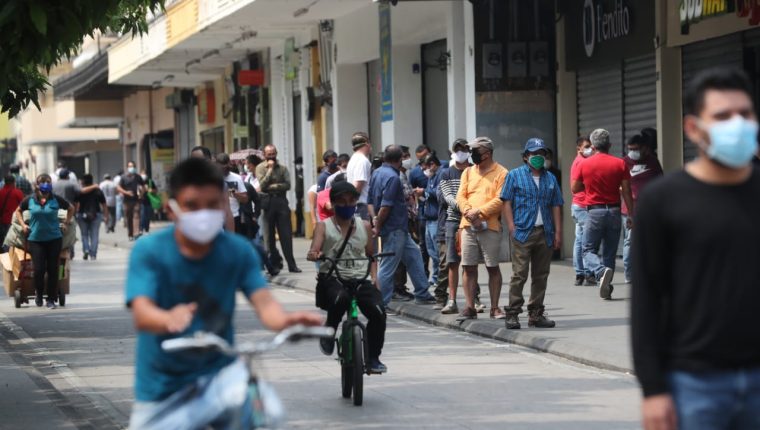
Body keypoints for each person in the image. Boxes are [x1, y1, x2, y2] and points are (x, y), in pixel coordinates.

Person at [125, 157, 322, 429]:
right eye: (192, 206)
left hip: (221, 376)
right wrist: (167, 318)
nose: (202, 214)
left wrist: (285, 321)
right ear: (171, 210)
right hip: (164, 387)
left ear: (223, 206)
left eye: (212, 205)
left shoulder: (237, 250)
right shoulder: (150, 251)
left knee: (268, 415)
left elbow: (264, 304)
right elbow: (142, 313)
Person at [633, 67, 760, 430]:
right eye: (722, 116)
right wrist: (653, 390)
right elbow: (646, 300)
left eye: (745, 114)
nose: (736, 124)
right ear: (693, 128)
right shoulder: (663, 200)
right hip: (694, 384)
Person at [307, 181, 387, 373]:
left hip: (361, 277)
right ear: (333, 204)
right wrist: (314, 254)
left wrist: (375, 278)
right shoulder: (323, 226)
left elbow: (370, 255)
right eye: (342, 202)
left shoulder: (365, 226)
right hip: (333, 276)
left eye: (351, 201)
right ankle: (330, 330)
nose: (347, 205)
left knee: (379, 313)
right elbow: (314, 250)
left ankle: (373, 357)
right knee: (340, 299)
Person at [501, 139, 563, 329]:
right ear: (526, 156)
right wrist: (511, 226)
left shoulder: (550, 178)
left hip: (545, 232)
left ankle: (536, 314)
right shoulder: (514, 175)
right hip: (522, 231)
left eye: (541, 154)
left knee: (541, 274)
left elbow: (556, 204)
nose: (538, 157)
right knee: (519, 274)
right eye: (534, 153)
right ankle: (512, 313)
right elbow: (506, 201)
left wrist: (558, 232)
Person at [368, 145, 437, 306]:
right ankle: (380, 303)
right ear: (400, 160)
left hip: (398, 228)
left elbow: (370, 201)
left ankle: (422, 292)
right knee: (388, 266)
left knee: (414, 256)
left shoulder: (377, 173)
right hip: (394, 228)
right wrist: (377, 225)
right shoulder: (393, 177)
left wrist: (374, 219)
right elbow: (386, 206)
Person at [571, 129, 634, 300]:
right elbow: (627, 191)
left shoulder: (584, 164)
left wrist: (591, 185)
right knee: (610, 252)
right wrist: (631, 215)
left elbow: (574, 188)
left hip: (594, 211)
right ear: (609, 145)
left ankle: (599, 272)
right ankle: (606, 288)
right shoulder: (620, 163)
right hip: (614, 211)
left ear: (593, 146)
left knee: (588, 249)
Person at [455, 137, 508, 320]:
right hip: (468, 226)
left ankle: (495, 308)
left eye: (475, 151)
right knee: (468, 267)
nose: (472, 155)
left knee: (492, 267)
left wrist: (480, 212)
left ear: (487, 154)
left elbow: (501, 199)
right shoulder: (468, 172)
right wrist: (469, 212)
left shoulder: (501, 172)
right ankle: (470, 307)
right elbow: (460, 197)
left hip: (490, 226)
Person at [15, 174, 74, 309]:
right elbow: (18, 211)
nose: (46, 184)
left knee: (53, 269)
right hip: (36, 240)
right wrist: (23, 225)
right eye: (43, 182)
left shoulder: (56, 199)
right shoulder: (30, 200)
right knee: (39, 269)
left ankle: (51, 299)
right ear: (37, 184)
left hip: (54, 239)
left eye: (48, 181)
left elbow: (71, 208)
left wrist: (66, 222)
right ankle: (39, 294)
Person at [438, 139, 481, 314]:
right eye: (458, 149)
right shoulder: (446, 173)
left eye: (464, 149)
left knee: (471, 263)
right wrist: (466, 209)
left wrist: (472, 212)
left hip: (472, 221)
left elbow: (479, 193)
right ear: (452, 152)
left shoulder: (475, 171)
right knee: (452, 262)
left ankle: (474, 299)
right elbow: (448, 197)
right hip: (453, 221)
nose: (461, 152)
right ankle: (452, 300)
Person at [621, 132, 663, 283]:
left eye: (636, 148)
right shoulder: (624, 162)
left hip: (649, 210)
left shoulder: (653, 162)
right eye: (630, 148)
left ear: (644, 148)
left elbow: (661, 183)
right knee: (630, 242)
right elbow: (617, 185)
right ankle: (630, 275)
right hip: (630, 210)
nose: (633, 151)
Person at [255, 144, 301, 273]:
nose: (271, 156)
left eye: (273, 153)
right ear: (264, 155)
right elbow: (262, 186)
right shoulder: (260, 168)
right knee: (268, 237)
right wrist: (269, 170)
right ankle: (272, 264)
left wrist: (273, 187)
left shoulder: (283, 168)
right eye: (269, 154)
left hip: (281, 202)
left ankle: (292, 265)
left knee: (286, 235)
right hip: (267, 204)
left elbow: (287, 185)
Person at [570, 136, 594, 286]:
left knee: (579, 240)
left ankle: (579, 273)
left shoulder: (577, 161)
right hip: (583, 205)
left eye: (590, 146)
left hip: (578, 206)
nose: (589, 149)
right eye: (586, 146)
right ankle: (588, 272)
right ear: (578, 148)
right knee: (587, 240)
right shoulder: (583, 162)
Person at [422, 153, 443, 293]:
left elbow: (438, 193)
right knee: (430, 250)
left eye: (428, 166)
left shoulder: (440, 175)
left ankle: (440, 277)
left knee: (437, 251)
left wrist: (424, 191)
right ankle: (435, 276)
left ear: (433, 164)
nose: (426, 169)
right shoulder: (431, 178)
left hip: (436, 219)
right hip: (428, 219)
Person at [75, 174, 108, 261]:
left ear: (83, 181)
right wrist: (106, 216)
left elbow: (75, 203)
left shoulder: (80, 191)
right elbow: (104, 204)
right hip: (96, 215)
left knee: (84, 234)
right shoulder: (98, 191)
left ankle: (86, 249)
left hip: (82, 214)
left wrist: (75, 214)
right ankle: (93, 254)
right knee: (94, 235)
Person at [215, 153, 248, 236]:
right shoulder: (212, 178)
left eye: (226, 168)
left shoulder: (236, 178)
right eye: (221, 168)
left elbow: (245, 199)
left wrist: (234, 194)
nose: (224, 170)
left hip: (234, 216)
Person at [346, 132, 373, 220]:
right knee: (364, 232)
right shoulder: (362, 160)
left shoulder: (353, 159)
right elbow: (358, 185)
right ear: (367, 144)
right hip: (361, 205)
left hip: (357, 204)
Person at [117, 161, 146, 241]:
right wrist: (126, 192)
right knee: (129, 218)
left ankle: (136, 233)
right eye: (130, 166)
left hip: (136, 200)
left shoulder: (137, 177)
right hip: (127, 201)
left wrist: (141, 194)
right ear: (127, 168)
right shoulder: (123, 177)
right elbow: (118, 188)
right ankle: (130, 234)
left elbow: (143, 186)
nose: (131, 168)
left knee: (136, 216)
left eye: (132, 166)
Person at [0, 175, 25, 250]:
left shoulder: (0, 192)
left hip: (2, 221)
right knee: (13, 241)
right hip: (14, 222)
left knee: (3, 241)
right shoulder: (18, 192)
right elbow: (23, 206)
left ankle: (4, 256)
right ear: (14, 183)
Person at [139, 171, 158, 235]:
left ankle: (147, 229)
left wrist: (151, 190)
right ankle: (141, 229)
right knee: (142, 216)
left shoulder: (150, 181)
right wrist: (142, 191)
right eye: (142, 174)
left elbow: (155, 190)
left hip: (149, 201)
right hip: (142, 201)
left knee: (148, 216)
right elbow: (138, 192)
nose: (143, 175)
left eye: (144, 174)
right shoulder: (139, 182)